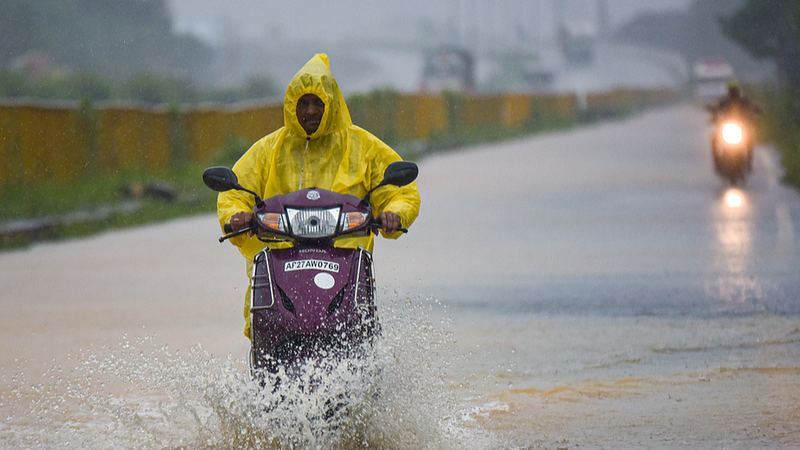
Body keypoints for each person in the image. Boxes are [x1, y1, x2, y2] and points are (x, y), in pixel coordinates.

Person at [216, 53, 421, 339]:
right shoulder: (268, 149)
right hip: (280, 262)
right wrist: (235, 217)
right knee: (268, 326)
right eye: (304, 103)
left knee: (356, 328)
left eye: (318, 103)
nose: (311, 111)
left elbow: (400, 191)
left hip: (344, 264)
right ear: (292, 106)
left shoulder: (363, 146)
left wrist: (394, 213)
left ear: (332, 104)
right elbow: (235, 190)